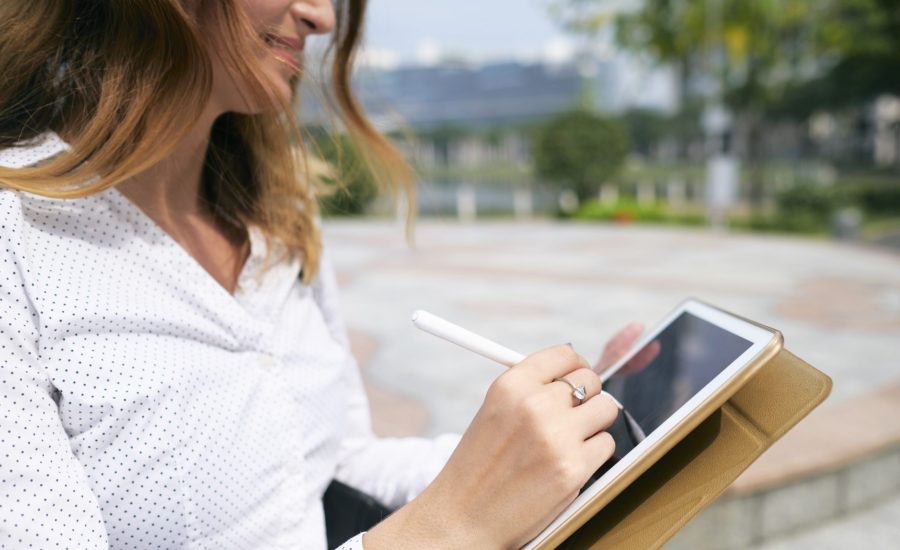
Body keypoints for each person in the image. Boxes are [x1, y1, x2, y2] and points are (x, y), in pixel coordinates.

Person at [0, 1, 643, 548]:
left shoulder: (278, 220)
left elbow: (336, 460)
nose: (323, 17)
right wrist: (447, 528)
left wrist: (558, 442)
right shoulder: (18, 243)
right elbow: (445, 521)